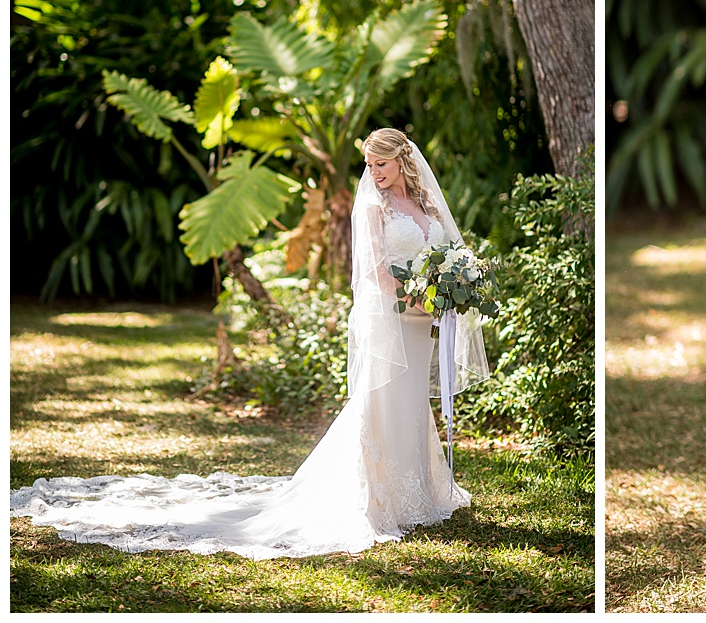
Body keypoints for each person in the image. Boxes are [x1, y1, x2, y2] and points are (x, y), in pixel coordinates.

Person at [10, 128, 490, 559]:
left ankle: (419, 491)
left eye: (380, 165)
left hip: (421, 321)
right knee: (380, 402)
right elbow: (373, 273)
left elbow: (443, 254)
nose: (373, 174)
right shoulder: (371, 208)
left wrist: (444, 292)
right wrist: (415, 295)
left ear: (401, 161)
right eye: (367, 166)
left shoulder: (425, 203)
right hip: (393, 319)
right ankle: (378, 499)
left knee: (411, 403)